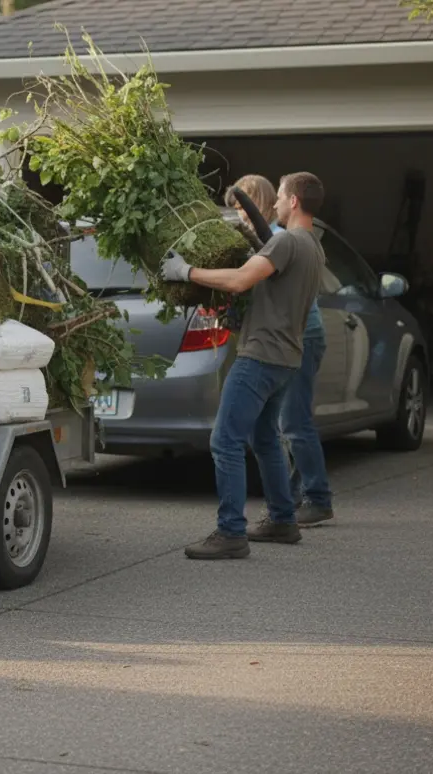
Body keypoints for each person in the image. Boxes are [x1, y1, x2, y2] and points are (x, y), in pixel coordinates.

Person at [161, 172, 327, 559]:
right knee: (265, 438)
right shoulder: (312, 246)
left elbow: (239, 281)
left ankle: (230, 532)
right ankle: (283, 520)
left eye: (282, 196)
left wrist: (186, 272)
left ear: (295, 202)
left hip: (261, 355)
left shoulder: (287, 241)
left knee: (225, 440)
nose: (278, 202)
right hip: (287, 358)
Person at [225, 176, 335, 526]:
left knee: (293, 423)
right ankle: (285, 508)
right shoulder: (286, 236)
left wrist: (190, 272)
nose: (242, 214)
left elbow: (247, 277)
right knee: (270, 431)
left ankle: (316, 498)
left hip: (295, 335)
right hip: (289, 337)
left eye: (243, 206)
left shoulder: (286, 238)